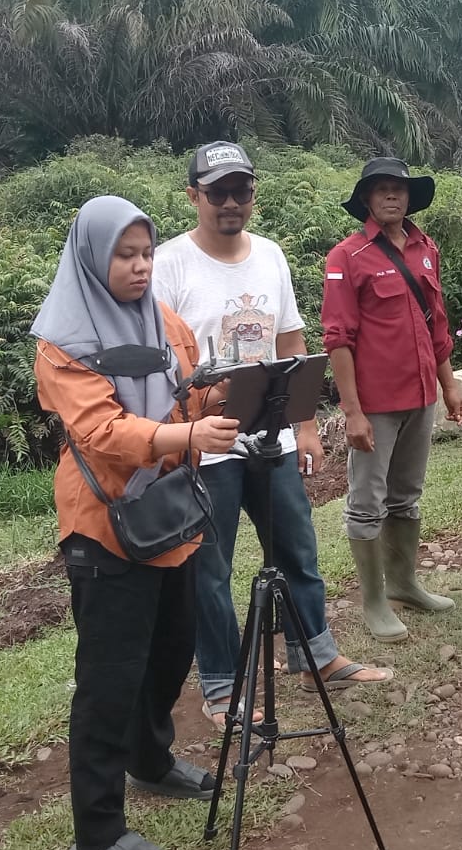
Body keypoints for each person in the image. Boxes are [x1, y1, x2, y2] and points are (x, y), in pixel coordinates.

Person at [32, 195, 240, 850]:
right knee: (109, 675)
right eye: (125, 255)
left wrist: (231, 392)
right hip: (106, 524)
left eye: (147, 253)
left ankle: (149, 761)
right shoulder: (63, 343)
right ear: (93, 258)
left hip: (170, 514)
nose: (140, 266)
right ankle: (96, 830)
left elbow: (190, 393)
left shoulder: (164, 319)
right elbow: (100, 432)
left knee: (172, 648)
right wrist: (187, 434)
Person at [153, 142, 393, 727]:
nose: (230, 203)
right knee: (210, 570)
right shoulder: (168, 264)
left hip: (272, 438)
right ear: (193, 196)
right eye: (217, 192)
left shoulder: (270, 255)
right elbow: (159, 360)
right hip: (206, 444)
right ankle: (221, 686)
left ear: (253, 195)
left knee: (296, 549)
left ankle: (315, 657)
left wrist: (305, 425)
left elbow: (290, 341)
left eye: (240, 190)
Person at [321, 158, 462, 643]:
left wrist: (449, 385)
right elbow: (337, 338)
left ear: (409, 197)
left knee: (406, 496)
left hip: (421, 395)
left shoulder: (426, 248)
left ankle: (404, 584)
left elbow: (436, 324)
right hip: (375, 405)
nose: (391, 196)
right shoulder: (347, 257)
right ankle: (374, 602)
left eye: (399, 189)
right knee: (367, 502)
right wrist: (353, 412)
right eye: (381, 189)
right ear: (367, 198)